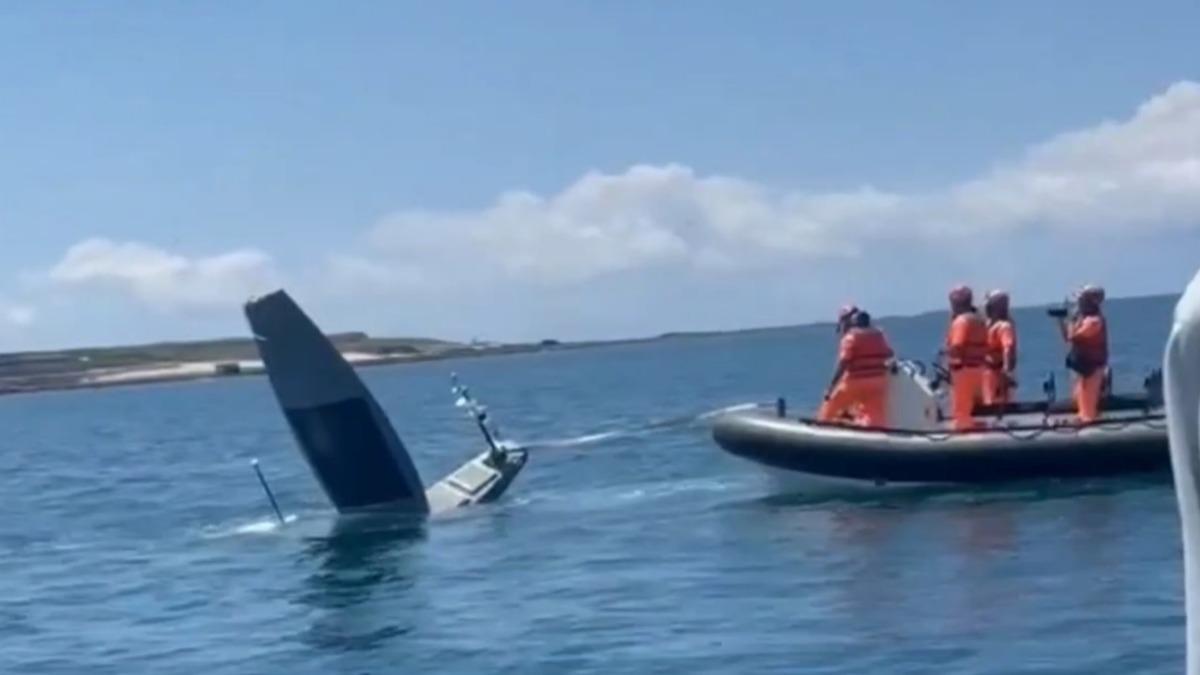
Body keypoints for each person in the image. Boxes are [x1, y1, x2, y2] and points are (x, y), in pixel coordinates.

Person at [819, 306, 895, 427]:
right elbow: (890, 354)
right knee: (875, 412)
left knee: (831, 404)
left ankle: (822, 426)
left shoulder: (851, 338)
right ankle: (876, 433)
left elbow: (843, 362)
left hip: (855, 381)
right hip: (878, 381)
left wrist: (830, 387)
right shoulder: (879, 335)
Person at [1058, 284, 1108, 423]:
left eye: (1081, 300)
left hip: (1092, 369)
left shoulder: (1094, 322)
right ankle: (1083, 419)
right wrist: (1061, 321)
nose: (1078, 304)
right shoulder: (1083, 320)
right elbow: (1068, 338)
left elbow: (1074, 336)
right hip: (1082, 368)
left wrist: (1071, 320)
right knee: (1079, 399)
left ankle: (1089, 422)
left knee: (1088, 406)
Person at [943, 285, 988, 430]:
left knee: (961, 410)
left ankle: (964, 431)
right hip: (980, 369)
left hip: (964, 371)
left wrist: (948, 358)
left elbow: (957, 346)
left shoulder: (961, 321)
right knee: (976, 407)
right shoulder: (980, 320)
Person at [982, 290, 1018, 406]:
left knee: (996, 405)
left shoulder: (1004, 327)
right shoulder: (989, 324)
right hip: (987, 373)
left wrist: (1006, 371)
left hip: (998, 373)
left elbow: (1007, 348)